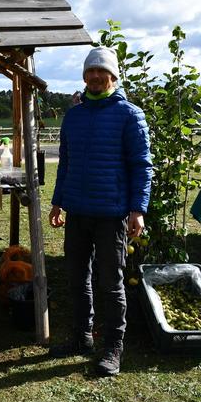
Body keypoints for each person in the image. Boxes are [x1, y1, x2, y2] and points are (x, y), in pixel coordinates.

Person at [48, 46, 152, 376]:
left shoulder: (130, 115)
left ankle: (112, 348)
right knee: (77, 279)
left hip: (112, 214)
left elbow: (142, 166)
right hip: (77, 211)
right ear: (84, 76)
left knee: (110, 282)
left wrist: (138, 209)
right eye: (89, 71)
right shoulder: (74, 116)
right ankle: (81, 338)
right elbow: (66, 162)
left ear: (113, 76)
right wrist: (57, 200)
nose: (94, 76)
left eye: (100, 71)